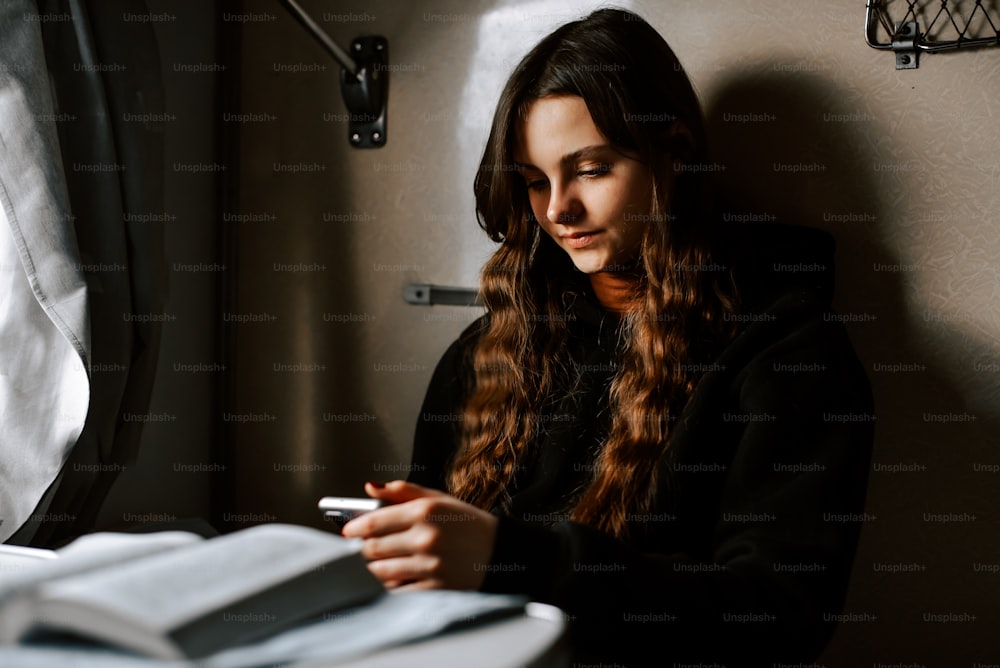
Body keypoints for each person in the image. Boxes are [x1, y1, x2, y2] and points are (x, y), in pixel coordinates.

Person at [342, 8, 874, 665]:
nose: (558, 210)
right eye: (535, 182)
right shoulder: (486, 352)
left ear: (673, 156)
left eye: (590, 169)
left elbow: (777, 616)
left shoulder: (787, 352)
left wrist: (509, 557)